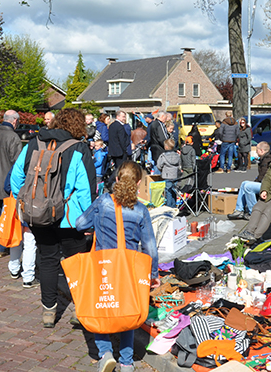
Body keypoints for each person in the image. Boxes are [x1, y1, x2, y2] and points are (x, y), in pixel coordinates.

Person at [9, 107, 96, 328]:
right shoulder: (79, 148)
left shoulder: (34, 143)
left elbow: (16, 176)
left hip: (38, 213)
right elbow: (85, 189)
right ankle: (79, 309)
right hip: (69, 217)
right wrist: (89, 219)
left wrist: (27, 202)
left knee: (47, 260)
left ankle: (49, 312)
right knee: (76, 263)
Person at [74, 161, 159, 372]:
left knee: (100, 306)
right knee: (127, 312)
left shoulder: (103, 202)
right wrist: (154, 274)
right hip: (128, 268)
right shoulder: (140, 210)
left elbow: (79, 223)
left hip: (103, 265)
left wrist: (95, 225)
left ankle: (105, 353)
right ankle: (127, 361)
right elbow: (150, 246)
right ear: (139, 183)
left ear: (117, 179)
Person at [0, 110, 23, 258]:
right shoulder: (13, 137)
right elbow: (18, 163)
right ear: (14, 121)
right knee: (11, 215)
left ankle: (0, 246)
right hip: (9, 184)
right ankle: (10, 244)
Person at [228, 141, 271, 220]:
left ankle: (254, 212)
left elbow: (263, 177)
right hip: (264, 183)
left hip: (268, 186)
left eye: (257, 150)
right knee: (244, 183)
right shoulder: (265, 158)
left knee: (248, 186)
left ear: (261, 151)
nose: (256, 152)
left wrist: (255, 182)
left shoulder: (267, 161)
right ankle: (239, 210)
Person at [157, 138, 181, 208]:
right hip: (175, 175)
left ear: (166, 147)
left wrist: (162, 170)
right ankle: (173, 206)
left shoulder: (163, 156)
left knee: (168, 192)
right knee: (174, 191)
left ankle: (168, 207)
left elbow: (159, 165)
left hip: (167, 175)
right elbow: (180, 164)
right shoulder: (177, 155)